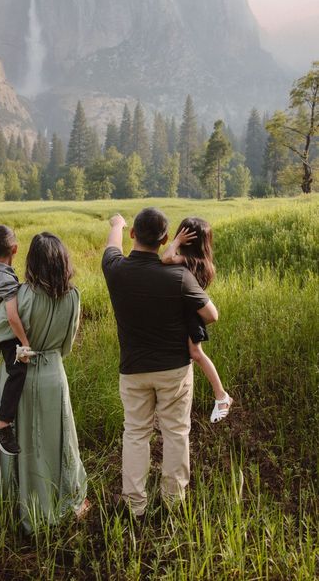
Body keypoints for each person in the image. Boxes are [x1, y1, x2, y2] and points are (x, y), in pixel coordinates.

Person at [102, 208, 218, 517]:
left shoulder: (116, 270)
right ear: (166, 239)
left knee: (136, 433)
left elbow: (111, 247)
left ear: (133, 235)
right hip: (174, 369)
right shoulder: (179, 276)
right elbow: (211, 315)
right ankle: (173, 501)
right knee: (176, 432)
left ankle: (135, 504)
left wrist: (117, 222)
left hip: (133, 370)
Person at [0, 232, 89, 533]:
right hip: (54, 375)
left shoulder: (20, 297)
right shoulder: (74, 297)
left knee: (21, 443)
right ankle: (62, 499)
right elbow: (66, 347)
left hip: (20, 373)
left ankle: (17, 505)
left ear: (30, 261)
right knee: (56, 441)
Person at [161, 217, 232, 422]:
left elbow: (165, 258)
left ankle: (221, 396)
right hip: (186, 313)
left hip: (190, 314)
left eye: (184, 236)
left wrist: (176, 242)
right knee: (190, 354)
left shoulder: (192, 261)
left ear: (188, 240)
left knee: (196, 353)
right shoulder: (202, 262)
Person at [0, 225, 32, 456]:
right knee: (18, 371)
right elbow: (12, 316)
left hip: (1, 327)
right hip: (6, 332)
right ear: (15, 248)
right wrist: (24, 344)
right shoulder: (5, 278)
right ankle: (2, 426)